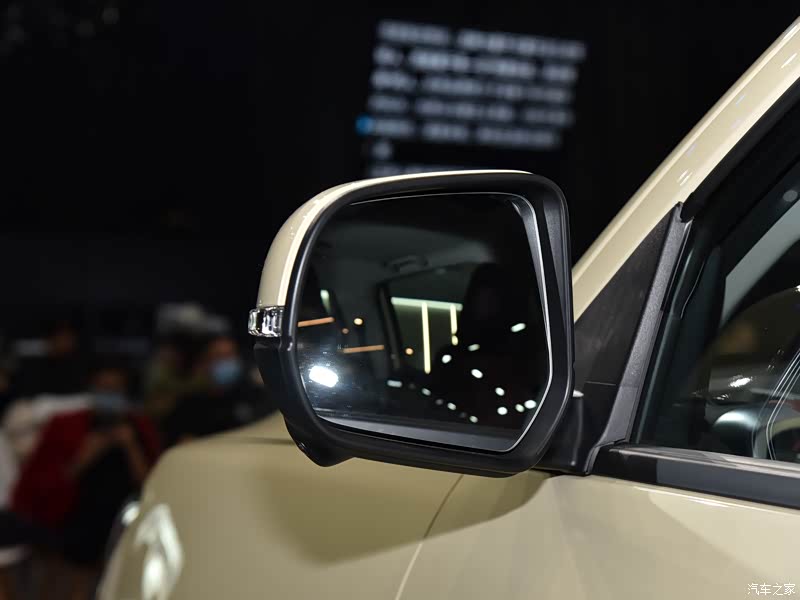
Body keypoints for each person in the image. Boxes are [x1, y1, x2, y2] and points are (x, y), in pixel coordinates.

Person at [10, 364, 160, 599]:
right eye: (103, 388)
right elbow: (42, 485)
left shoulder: (139, 427)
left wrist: (130, 446)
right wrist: (86, 454)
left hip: (127, 514)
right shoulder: (66, 425)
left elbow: (151, 484)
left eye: (115, 389)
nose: (109, 394)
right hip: (74, 515)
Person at [163, 336, 274, 445]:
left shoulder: (254, 397)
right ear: (205, 363)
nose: (227, 362)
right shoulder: (189, 407)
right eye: (220, 356)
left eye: (230, 355)